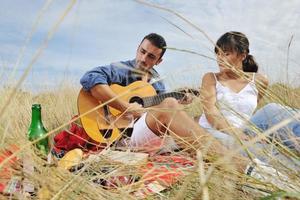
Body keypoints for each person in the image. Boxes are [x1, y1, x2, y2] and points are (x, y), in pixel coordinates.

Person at [80, 33, 296, 192]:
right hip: (121, 134)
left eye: (151, 56)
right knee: (170, 106)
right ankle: (252, 172)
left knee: (274, 111)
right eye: (142, 51)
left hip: (157, 132)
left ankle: (287, 168)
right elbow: (90, 79)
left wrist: (178, 105)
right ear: (137, 48)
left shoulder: (157, 82)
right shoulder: (120, 69)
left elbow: (163, 114)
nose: (144, 59)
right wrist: (126, 107)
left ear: (159, 60)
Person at [199, 31, 299, 154]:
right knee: (262, 150)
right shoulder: (211, 78)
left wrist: (252, 133)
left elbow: (250, 111)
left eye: (226, 54)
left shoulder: (260, 80)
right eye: (218, 54)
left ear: (243, 55)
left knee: (273, 109)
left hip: (245, 131)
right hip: (216, 132)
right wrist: (236, 134)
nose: (219, 58)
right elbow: (210, 112)